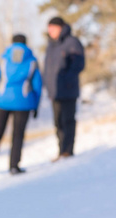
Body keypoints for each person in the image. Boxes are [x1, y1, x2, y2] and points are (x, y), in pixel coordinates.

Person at [0, 34, 43, 175]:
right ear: (26, 43)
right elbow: (37, 85)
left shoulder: (4, 59)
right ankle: (14, 166)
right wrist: (35, 104)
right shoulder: (32, 60)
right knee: (18, 134)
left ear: (12, 43)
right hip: (23, 101)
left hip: (1, 101)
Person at [43, 16, 85, 162]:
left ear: (61, 28)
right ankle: (61, 151)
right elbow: (48, 69)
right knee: (57, 122)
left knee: (68, 120)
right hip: (54, 92)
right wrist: (47, 86)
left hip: (68, 89)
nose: (50, 31)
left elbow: (78, 64)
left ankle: (68, 150)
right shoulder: (51, 45)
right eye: (49, 29)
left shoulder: (71, 42)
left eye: (53, 28)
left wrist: (67, 80)